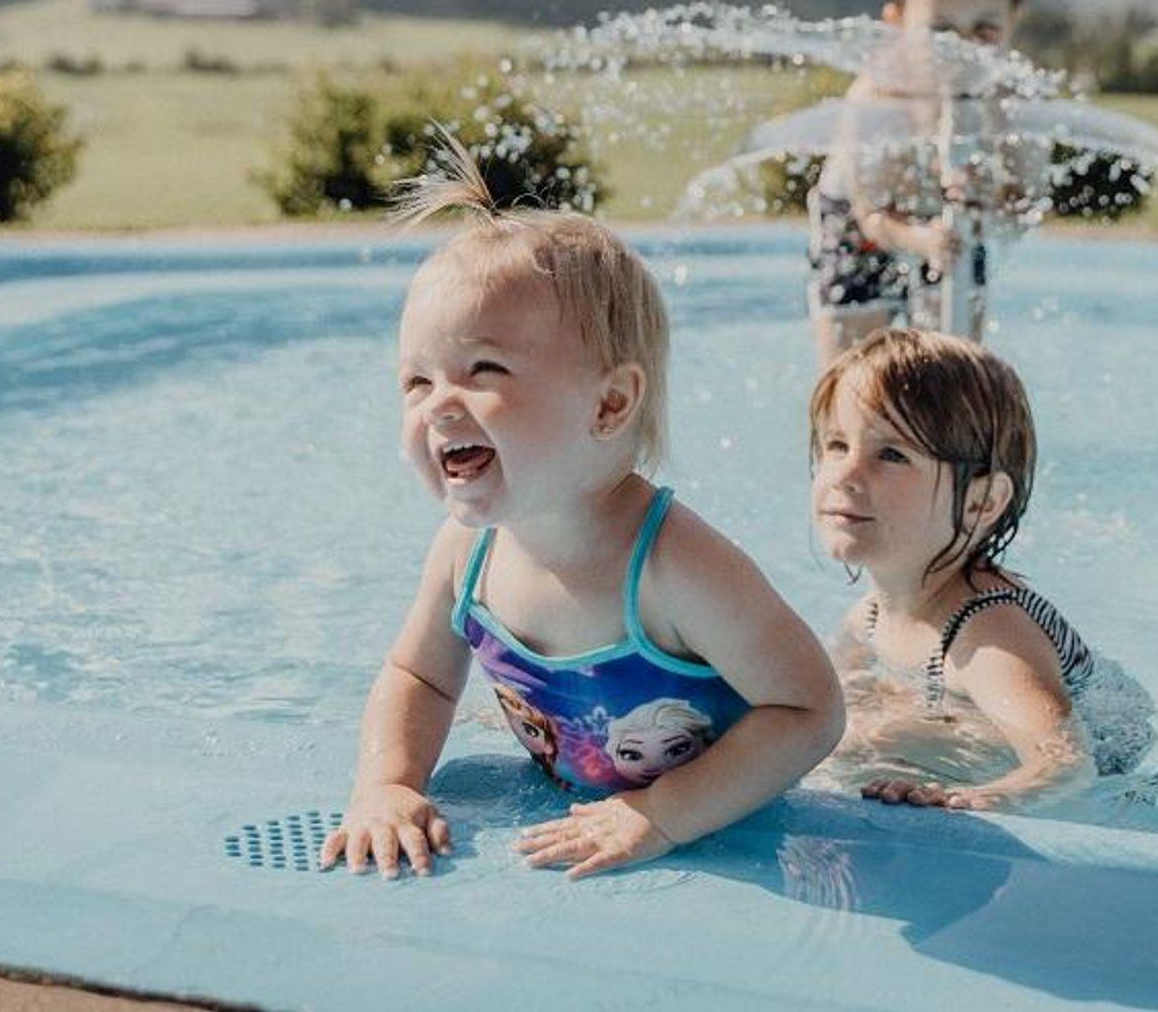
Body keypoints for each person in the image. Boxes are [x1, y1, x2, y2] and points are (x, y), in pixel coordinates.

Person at [321, 134, 843, 881]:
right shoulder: (467, 552)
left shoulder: (672, 566)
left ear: (609, 404)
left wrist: (663, 813)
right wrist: (388, 784)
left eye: (482, 370)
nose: (438, 405)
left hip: (725, 826)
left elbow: (809, 711)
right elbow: (419, 676)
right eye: (418, 381)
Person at [810, 328, 1154, 808]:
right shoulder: (867, 616)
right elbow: (814, 706)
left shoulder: (988, 635)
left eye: (891, 455)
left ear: (982, 501)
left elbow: (1064, 763)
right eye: (836, 445)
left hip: (1105, 773)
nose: (844, 475)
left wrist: (970, 799)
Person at [807, 0, 1032, 365]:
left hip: (948, 228)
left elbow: (1023, 199)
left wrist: (995, 198)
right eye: (941, 32)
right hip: (858, 227)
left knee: (958, 371)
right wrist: (920, 240)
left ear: (1012, 22)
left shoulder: (1010, 102)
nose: (962, 49)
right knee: (848, 377)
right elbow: (872, 216)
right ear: (897, 24)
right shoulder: (876, 97)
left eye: (984, 31)